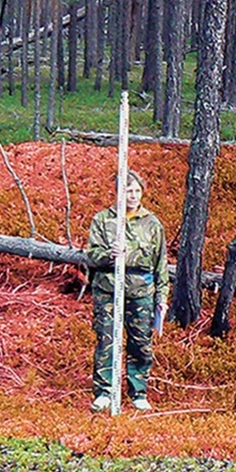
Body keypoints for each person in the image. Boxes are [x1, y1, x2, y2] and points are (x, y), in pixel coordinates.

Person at [85, 170, 168, 412]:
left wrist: (161, 297)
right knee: (106, 340)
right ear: (118, 192)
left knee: (140, 343)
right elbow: (91, 255)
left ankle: (138, 392)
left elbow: (160, 264)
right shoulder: (103, 220)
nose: (133, 195)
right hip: (108, 290)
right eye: (128, 190)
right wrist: (109, 256)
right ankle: (104, 392)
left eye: (136, 190)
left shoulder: (152, 224)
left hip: (141, 292)